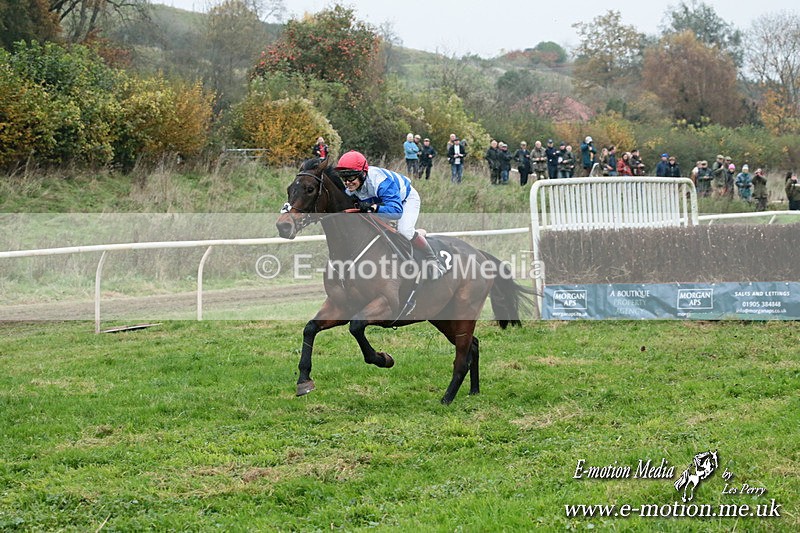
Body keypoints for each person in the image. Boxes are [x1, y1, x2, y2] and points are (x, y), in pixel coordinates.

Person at [334, 150, 445, 279]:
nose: (347, 183)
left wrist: (373, 208)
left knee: (404, 231)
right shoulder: (352, 187)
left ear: (363, 174)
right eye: (344, 178)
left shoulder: (380, 182)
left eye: (351, 177)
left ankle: (433, 260)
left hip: (405, 201)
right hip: (383, 202)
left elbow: (396, 211)